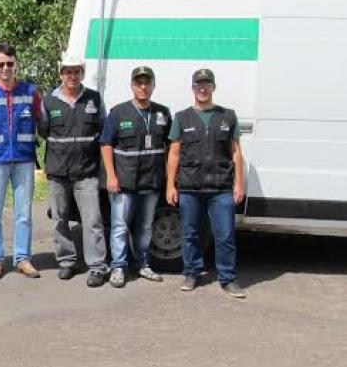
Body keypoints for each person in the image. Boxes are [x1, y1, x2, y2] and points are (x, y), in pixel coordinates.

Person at [166, 68, 246, 298]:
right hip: (189, 186)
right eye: (199, 84)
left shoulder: (228, 116)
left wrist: (239, 184)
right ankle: (191, 273)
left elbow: (236, 152)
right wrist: (170, 185)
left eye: (207, 84)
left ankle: (228, 278)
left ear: (213, 87)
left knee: (225, 235)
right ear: (193, 88)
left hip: (221, 187)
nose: (203, 88)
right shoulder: (182, 117)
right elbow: (174, 153)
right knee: (190, 234)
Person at [40, 53, 109, 287]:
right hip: (58, 172)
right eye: (68, 71)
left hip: (86, 172)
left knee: (92, 221)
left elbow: (102, 129)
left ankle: (97, 267)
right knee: (59, 219)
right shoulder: (49, 102)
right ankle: (67, 261)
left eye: (76, 71)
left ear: (82, 73)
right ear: (61, 74)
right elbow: (44, 130)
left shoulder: (94, 99)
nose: (72, 76)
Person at [100, 66, 171, 288]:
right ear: (132, 85)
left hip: (152, 182)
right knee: (120, 226)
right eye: (138, 83)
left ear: (153, 86)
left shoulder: (162, 113)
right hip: (124, 182)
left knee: (146, 227)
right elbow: (106, 144)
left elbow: (172, 147)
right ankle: (118, 267)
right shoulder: (118, 112)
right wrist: (111, 176)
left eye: (147, 83)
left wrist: (169, 179)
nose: (143, 87)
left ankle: (142, 264)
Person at [0, 43, 42, 279]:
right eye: (1, 64)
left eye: (9, 63)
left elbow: (42, 122)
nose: (6, 68)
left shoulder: (30, 92)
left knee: (24, 214)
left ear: (16, 64)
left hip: (24, 159)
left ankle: (22, 258)